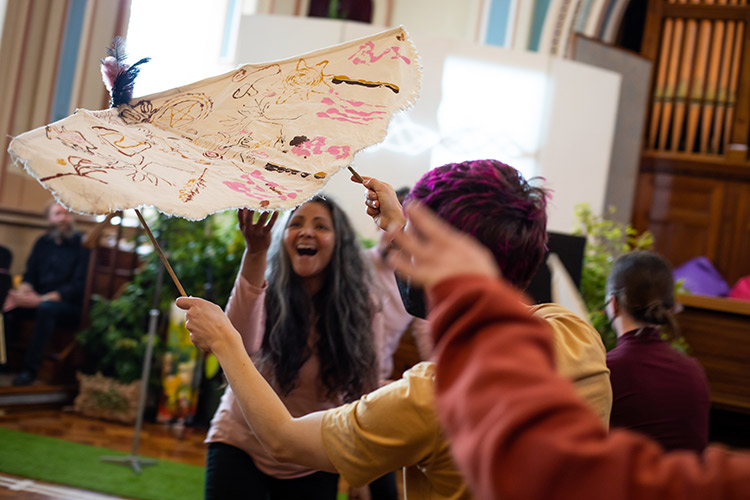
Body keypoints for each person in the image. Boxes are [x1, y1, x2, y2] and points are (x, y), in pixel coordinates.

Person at [178, 159, 612, 499]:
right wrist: (401, 225)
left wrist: (224, 341)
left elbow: (284, 439)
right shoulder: (575, 334)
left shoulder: (433, 398)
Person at [384, 200, 750, 500]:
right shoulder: (693, 372)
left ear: (612, 305)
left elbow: (561, 464)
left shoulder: (609, 366)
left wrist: (479, 302)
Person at [201, 195, 383, 500]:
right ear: (284, 239)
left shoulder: (363, 305)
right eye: (295, 223)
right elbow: (236, 347)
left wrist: (360, 473)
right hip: (240, 444)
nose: (306, 232)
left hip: (314, 455)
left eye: (321, 226)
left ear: (339, 243)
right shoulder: (263, 286)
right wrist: (255, 253)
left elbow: (364, 389)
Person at [605, 250, 711, 452]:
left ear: (613, 304)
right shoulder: (693, 371)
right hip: (685, 482)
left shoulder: (607, 370)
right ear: (669, 307)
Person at [2, 201, 90, 386]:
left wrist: (42, 299)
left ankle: (30, 369)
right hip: (38, 299)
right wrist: (24, 291)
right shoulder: (42, 242)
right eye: (58, 214)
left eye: (67, 214)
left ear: (72, 218)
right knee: (8, 304)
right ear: (49, 218)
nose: (63, 218)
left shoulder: (83, 245)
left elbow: (78, 286)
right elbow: (29, 274)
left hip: (68, 306)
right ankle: (5, 362)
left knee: (46, 308)